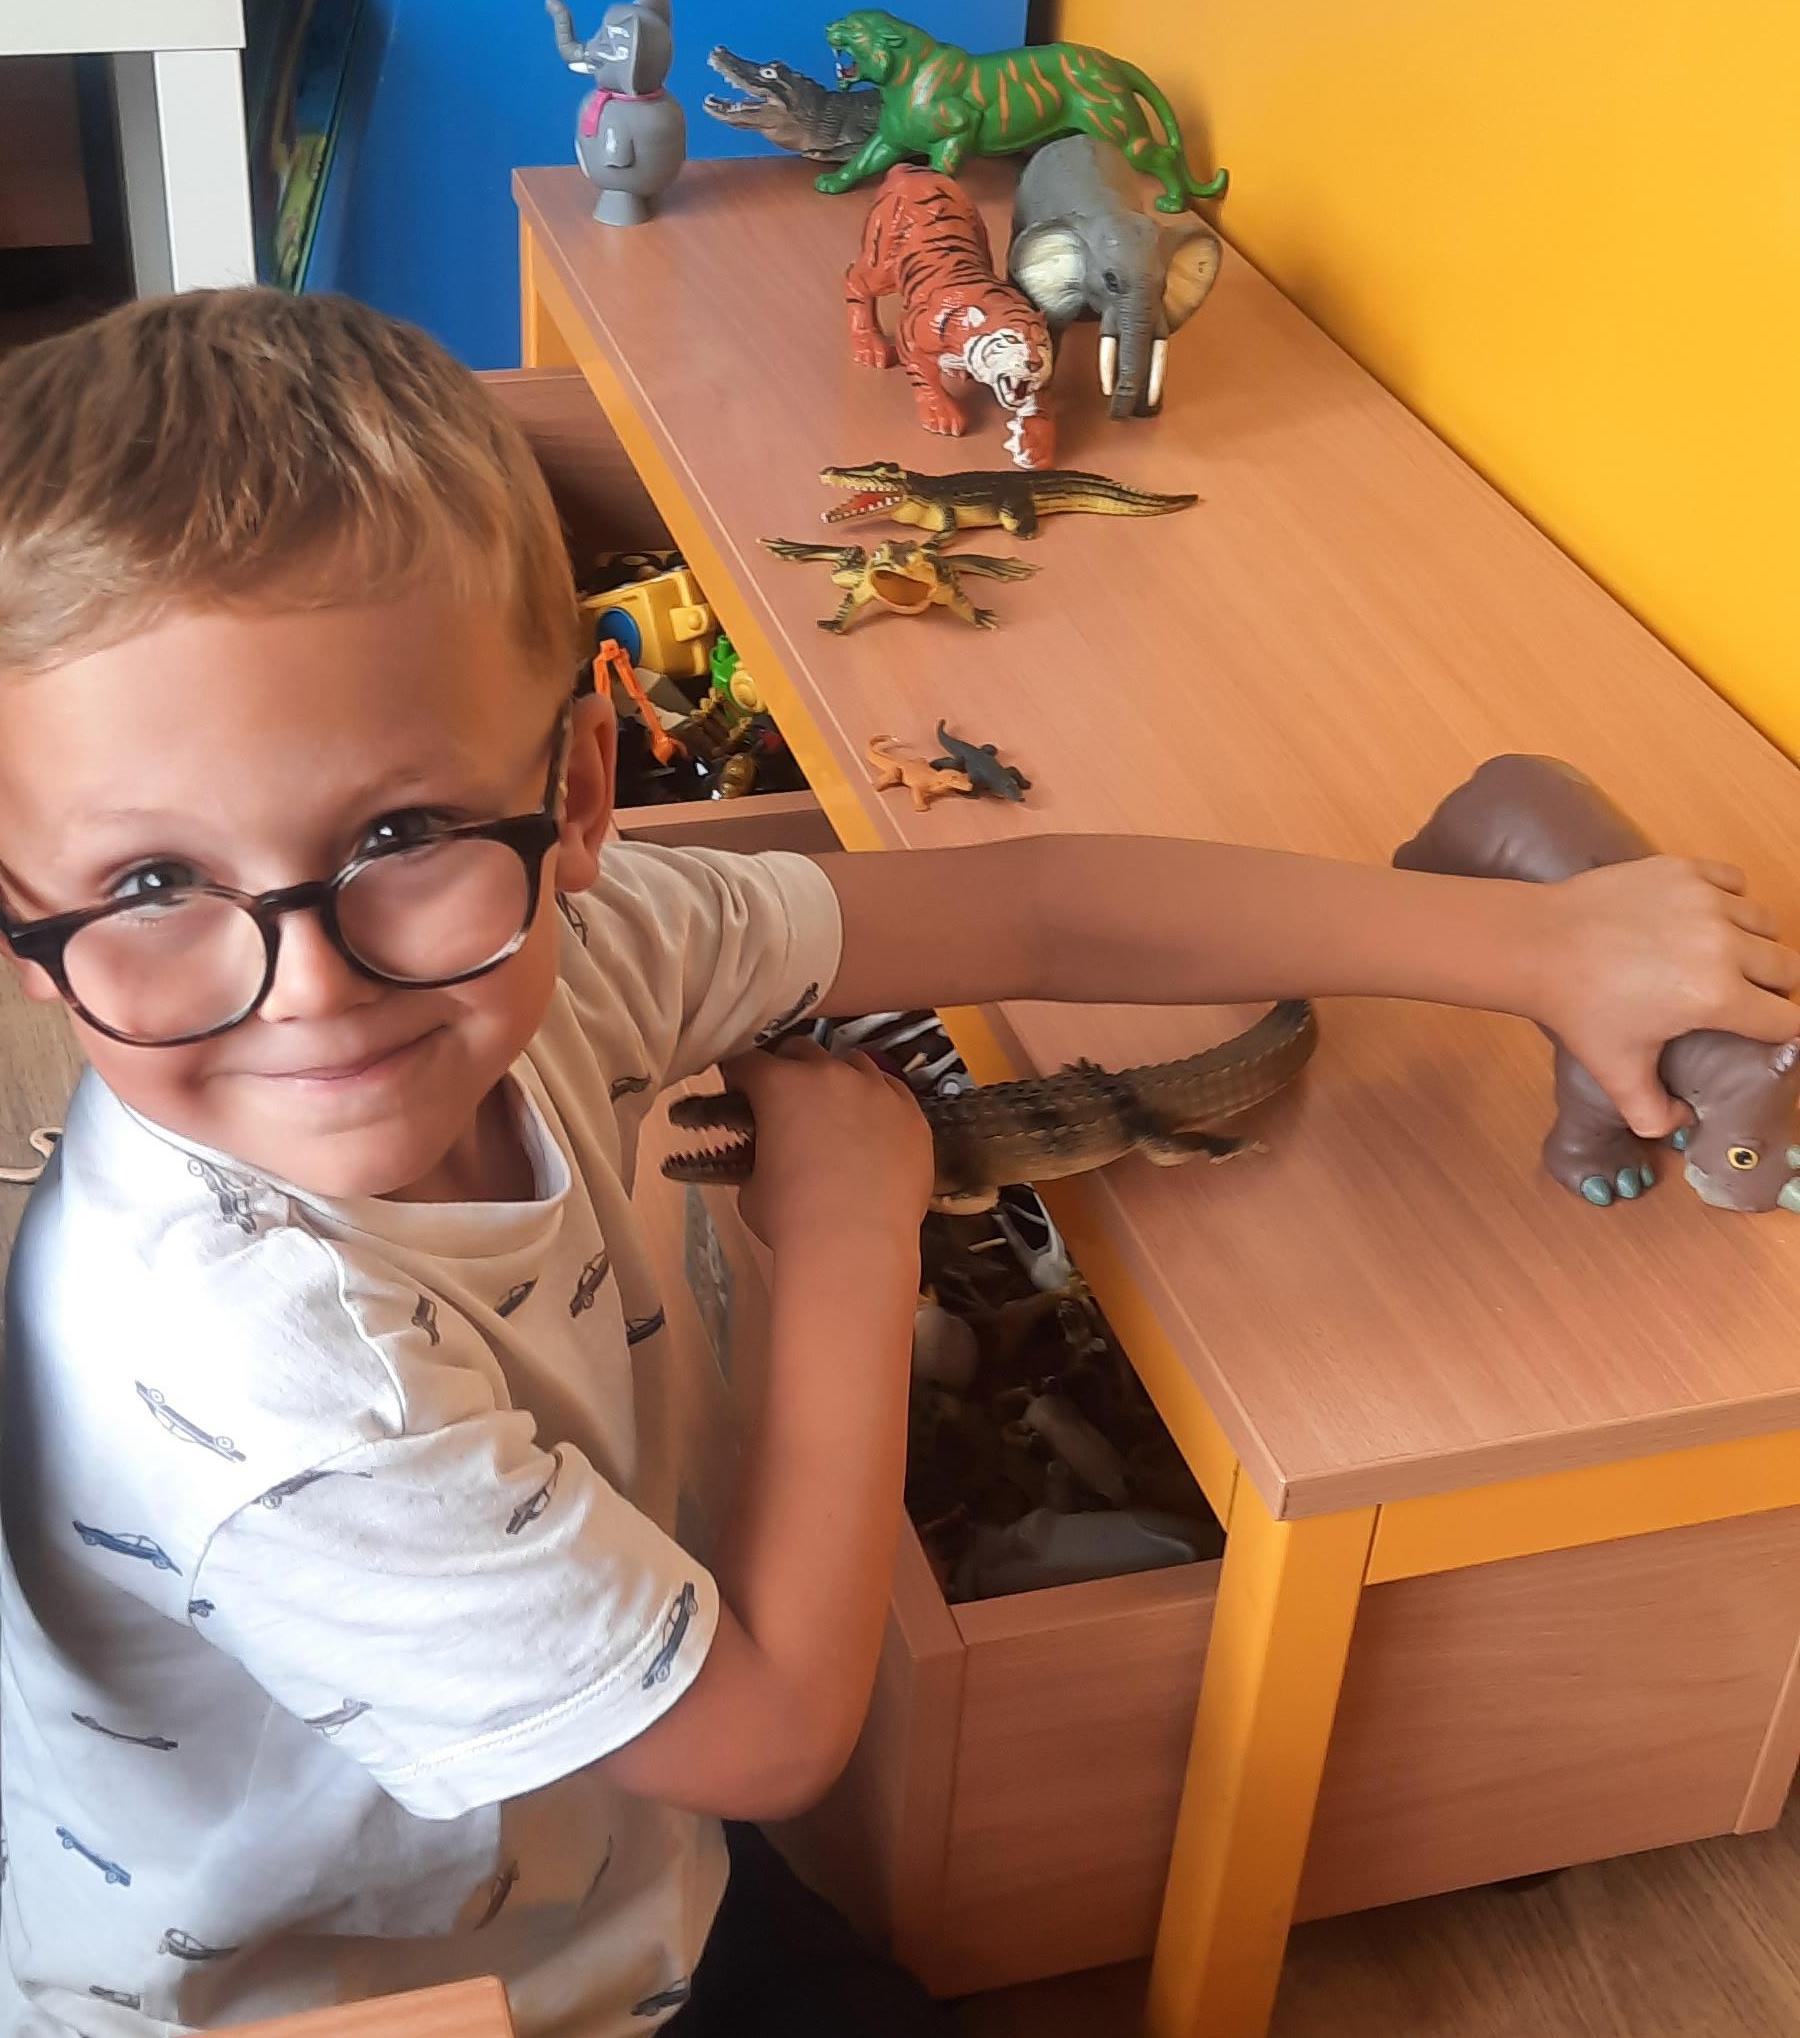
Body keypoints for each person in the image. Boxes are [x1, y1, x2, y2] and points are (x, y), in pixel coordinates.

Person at [0, 291, 1792, 2038]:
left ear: (582, 793)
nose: (309, 987)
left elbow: (1037, 903)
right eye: (150, 883)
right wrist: (860, 1236)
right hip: (407, 1985)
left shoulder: (570, 947)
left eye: (400, 832)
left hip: (597, 1854)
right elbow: (778, 1733)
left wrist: (1545, 946)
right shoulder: (273, 1385)